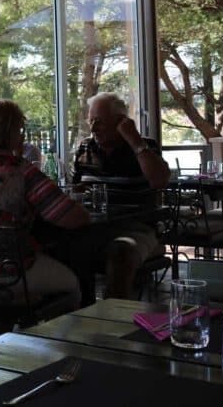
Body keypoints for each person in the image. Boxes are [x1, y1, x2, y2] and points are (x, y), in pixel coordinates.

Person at [0, 99, 89, 312]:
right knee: (73, 285)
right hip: (1, 275)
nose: (23, 135)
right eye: (20, 129)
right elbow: (73, 218)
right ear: (10, 131)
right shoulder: (20, 169)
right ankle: (52, 333)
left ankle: (2, 329)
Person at [71, 92, 170, 300]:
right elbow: (74, 188)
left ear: (121, 122)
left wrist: (134, 140)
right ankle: (83, 311)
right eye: (91, 121)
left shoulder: (144, 147)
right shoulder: (85, 147)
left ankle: (113, 315)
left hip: (137, 229)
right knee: (64, 248)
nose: (93, 128)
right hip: (95, 229)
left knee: (120, 252)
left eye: (99, 122)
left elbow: (160, 180)